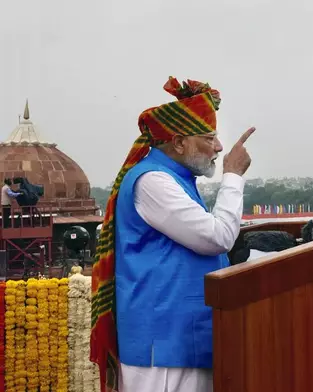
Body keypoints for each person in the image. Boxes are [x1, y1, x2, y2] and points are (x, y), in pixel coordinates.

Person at [90, 76, 254, 392]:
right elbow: (217, 238)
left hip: (181, 338)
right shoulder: (154, 181)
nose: (218, 147)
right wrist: (232, 177)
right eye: (209, 137)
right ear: (178, 142)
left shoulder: (175, 179)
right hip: (162, 348)